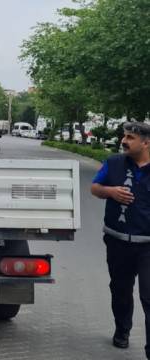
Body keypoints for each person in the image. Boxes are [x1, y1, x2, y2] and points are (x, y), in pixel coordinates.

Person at [91, 121, 150, 360]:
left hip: (148, 245)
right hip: (117, 242)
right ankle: (122, 330)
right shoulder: (114, 163)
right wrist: (111, 192)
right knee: (121, 290)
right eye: (124, 136)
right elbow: (95, 187)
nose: (124, 141)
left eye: (130, 138)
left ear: (146, 142)